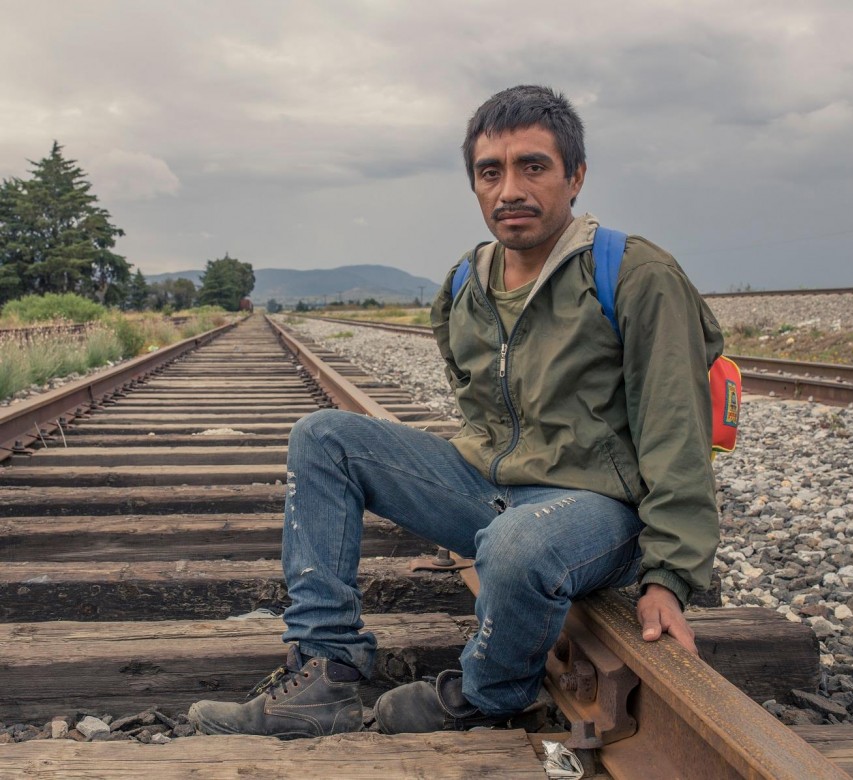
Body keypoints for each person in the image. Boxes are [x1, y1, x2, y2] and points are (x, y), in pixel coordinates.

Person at [189, 84, 723, 738]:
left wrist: (668, 576)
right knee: (322, 438)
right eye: (489, 172)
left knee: (518, 541)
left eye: (533, 166)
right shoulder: (466, 282)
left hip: (596, 512)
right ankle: (324, 670)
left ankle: (490, 693)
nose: (509, 190)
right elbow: (478, 405)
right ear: (472, 182)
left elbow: (677, 433)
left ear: (575, 175)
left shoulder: (633, 273)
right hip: (491, 491)